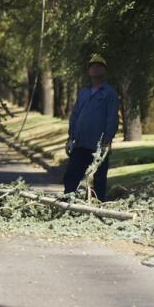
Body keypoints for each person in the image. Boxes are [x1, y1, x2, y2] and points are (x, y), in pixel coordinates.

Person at [63, 53, 119, 200]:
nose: (95, 69)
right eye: (92, 66)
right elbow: (75, 114)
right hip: (80, 142)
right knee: (71, 175)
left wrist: (107, 140)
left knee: (99, 179)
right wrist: (71, 137)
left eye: (99, 66)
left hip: (99, 145)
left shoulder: (109, 93)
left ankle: (99, 207)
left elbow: (112, 118)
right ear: (88, 71)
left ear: (104, 70)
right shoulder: (83, 92)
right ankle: (68, 203)